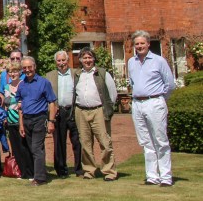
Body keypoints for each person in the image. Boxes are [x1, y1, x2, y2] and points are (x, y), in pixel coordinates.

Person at [127, 30, 176, 187]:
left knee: (161, 141)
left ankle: (166, 177)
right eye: (137, 44)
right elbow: (132, 83)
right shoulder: (131, 62)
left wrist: (160, 99)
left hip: (154, 102)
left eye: (142, 43)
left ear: (148, 44)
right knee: (146, 142)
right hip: (137, 104)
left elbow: (170, 84)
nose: (139, 46)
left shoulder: (159, 61)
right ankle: (152, 176)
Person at [73, 47, 118, 181]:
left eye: (90, 57)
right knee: (85, 143)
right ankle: (89, 170)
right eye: (85, 58)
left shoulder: (102, 73)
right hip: (81, 111)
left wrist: (108, 110)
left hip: (98, 110)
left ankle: (109, 171)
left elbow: (112, 93)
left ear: (94, 59)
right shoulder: (77, 74)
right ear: (81, 60)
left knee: (105, 142)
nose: (87, 60)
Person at [16, 56, 57, 185]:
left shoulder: (44, 82)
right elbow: (20, 106)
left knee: (36, 148)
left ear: (35, 67)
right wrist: (21, 124)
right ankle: (38, 173)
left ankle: (40, 178)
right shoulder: (22, 84)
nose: (27, 70)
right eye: (24, 68)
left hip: (39, 118)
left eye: (30, 67)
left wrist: (51, 121)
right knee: (32, 148)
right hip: (26, 119)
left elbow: (52, 102)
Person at [46, 50, 82, 178]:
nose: (61, 63)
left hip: (73, 110)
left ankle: (79, 169)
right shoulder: (49, 76)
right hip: (57, 111)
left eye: (63, 60)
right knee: (59, 142)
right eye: (59, 60)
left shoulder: (76, 73)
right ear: (55, 62)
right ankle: (61, 170)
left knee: (77, 141)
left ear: (68, 60)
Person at [1, 60, 31, 179]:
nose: (12, 74)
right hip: (10, 121)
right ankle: (22, 172)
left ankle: (30, 172)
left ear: (20, 72)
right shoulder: (6, 87)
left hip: (22, 120)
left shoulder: (23, 85)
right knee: (16, 148)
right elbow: (6, 104)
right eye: (10, 72)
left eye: (15, 71)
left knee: (25, 147)